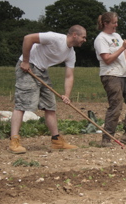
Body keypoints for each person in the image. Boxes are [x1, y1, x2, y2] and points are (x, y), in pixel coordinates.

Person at [9, 25, 87, 154]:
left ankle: (56, 140)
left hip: (42, 71)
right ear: (74, 35)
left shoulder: (71, 53)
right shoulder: (55, 38)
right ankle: (14, 140)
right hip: (28, 67)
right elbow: (28, 38)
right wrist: (26, 61)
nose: (84, 40)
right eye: (83, 37)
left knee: (50, 105)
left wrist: (66, 95)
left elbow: (69, 75)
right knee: (22, 104)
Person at [94, 12, 126, 147]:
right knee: (116, 107)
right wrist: (122, 47)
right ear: (106, 23)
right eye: (114, 22)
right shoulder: (101, 39)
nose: (116, 25)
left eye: (116, 22)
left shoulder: (117, 36)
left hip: (125, 74)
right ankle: (107, 138)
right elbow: (107, 59)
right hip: (111, 75)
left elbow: (125, 54)